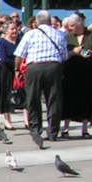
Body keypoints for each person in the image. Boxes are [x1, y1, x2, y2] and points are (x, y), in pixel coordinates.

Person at [13, 10, 67, 149]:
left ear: (36, 22)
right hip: (54, 67)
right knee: (54, 99)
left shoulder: (30, 34)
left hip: (34, 68)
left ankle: (36, 129)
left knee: (33, 99)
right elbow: (65, 55)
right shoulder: (60, 34)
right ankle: (53, 131)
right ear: (50, 21)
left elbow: (19, 54)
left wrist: (17, 69)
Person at [61, 14, 92, 138]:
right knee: (68, 99)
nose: (70, 28)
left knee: (86, 100)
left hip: (87, 72)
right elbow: (62, 54)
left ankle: (85, 128)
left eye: (72, 25)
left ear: (79, 25)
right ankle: (65, 128)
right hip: (71, 72)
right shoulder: (67, 37)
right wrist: (73, 53)